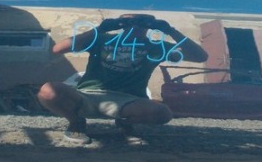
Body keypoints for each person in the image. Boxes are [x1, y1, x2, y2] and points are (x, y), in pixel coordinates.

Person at [37, 14, 208, 144]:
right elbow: (58, 49)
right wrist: (100, 29)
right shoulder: (102, 39)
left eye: (141, 22)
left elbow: (200, 57)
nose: (135, 26)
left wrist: (170, 30)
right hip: (88, 94)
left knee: (162, 113)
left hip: (129, 99)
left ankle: (125, 121)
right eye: (128, 22)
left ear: (149, 26)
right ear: (120, 25)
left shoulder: (156, 47)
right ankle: (76, 123)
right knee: (48, 91)